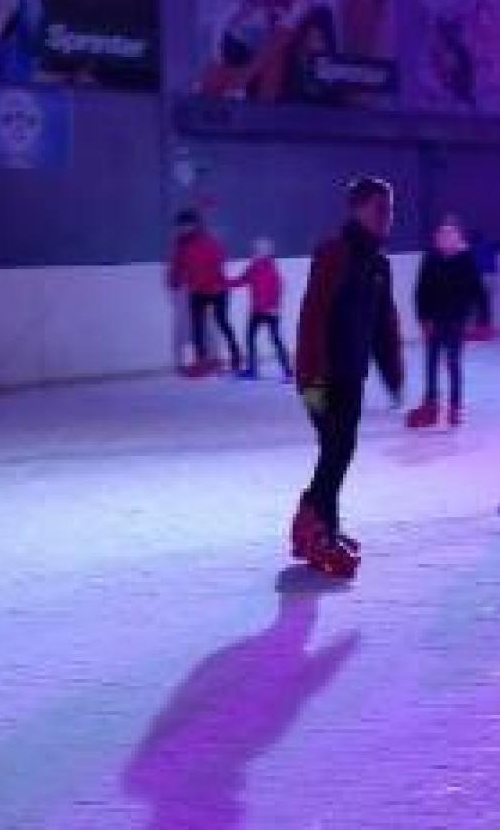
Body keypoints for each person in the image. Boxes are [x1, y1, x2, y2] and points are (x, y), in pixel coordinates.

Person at [291, 177, 405, 579]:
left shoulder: (379, 264)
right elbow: (313, 317)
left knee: (339, 451)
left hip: (352, 375)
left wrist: (392, 372)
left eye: (390, 209)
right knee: (336, 449)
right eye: (380, 208)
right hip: (320, 376)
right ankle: (314, 527)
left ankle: (323, 527)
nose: (387, 217)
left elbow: (382, 325)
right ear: (357, 208)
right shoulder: (333, 253)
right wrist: (312, 378)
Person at [406, 220, 487, 428]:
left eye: (450, 236)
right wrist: (423, 318)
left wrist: (483, 319)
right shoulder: (430, 258)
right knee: (431, 363)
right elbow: (420, 291)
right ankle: (431, 405)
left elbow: (478, 290)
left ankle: (454, 407)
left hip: (456, 318)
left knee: (453, 362)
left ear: (458, 239)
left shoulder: (465, 259)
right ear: (437, 239)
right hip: (434, 319)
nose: (445, 239)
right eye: (441, 236)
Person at [169, 210, 242, 378]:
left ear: (194, 225)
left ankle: (236, 355)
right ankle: (201, 360)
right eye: (181, 226)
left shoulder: (207, 241)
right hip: (197, 290)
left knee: (222, 322)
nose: (183, 229)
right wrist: (174, 280)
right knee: (197, 326)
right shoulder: (180, 244)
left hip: (217, 289)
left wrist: (215, 281)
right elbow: (178, 264)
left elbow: (219, 258)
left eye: (186, 225)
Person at [234, 238, 291, 381]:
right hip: (258, 310)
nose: (258, 253)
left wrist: (274, 306)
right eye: (257, 251)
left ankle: (288, 371)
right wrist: (224, 283)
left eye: (261, 251)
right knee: (252, 337)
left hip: (269, 311)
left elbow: (279, 288)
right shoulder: (254, 267)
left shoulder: (271, 268)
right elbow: (241, 280)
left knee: (275, 339)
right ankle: (253, 369)